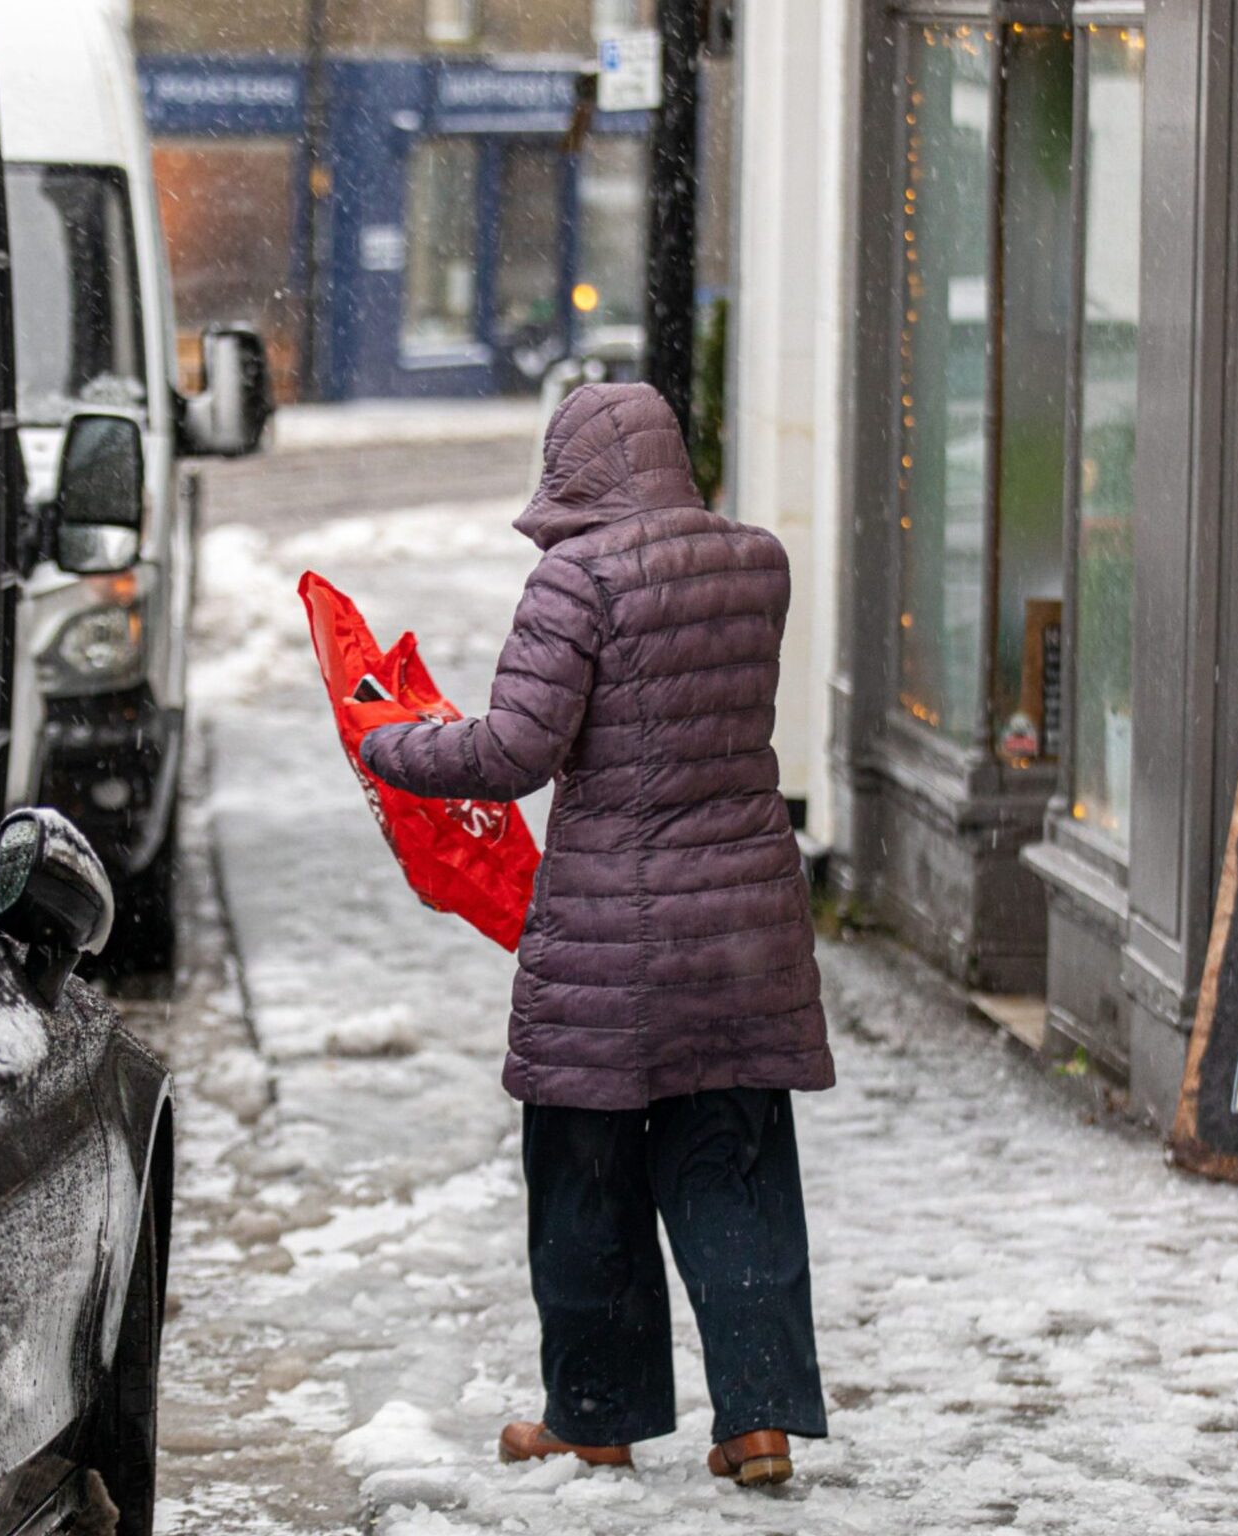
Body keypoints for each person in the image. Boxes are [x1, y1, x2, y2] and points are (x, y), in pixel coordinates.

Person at [357, 381, 833, 1488]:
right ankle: (757, 1421)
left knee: (588, 1180)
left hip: (610, 941)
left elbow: (514, 753)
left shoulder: (576, 579)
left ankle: (593, 1413)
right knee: (734, 1171)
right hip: (744, 928)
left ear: (575, 470)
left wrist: (393, 742)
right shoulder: (754, 563)